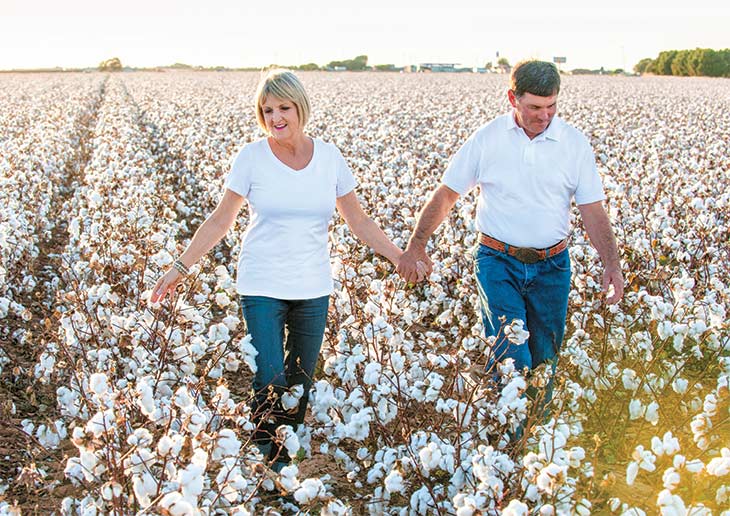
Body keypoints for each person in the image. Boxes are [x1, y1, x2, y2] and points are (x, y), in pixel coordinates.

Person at [150, 69, 422, 471]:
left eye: (283, 108)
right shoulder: (251, 158)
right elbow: (220, 220)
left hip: (312, 286)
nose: (275, 117)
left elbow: (358, 221)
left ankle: (284, 455)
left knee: (299, 381)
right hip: (261, 283)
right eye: (267, 110)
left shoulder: (329, 157)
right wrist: (180, 266)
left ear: (300, 108)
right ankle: (268, 458)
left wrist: (399, 256)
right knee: (271, 374)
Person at [398, 60, 624, 415]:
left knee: (545, 358)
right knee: (512, 355)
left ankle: (534, 438)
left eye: (551, 106)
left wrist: (612, 265)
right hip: (496, 261)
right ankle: (512, 438)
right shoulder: (487, 139)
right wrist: (416, 245)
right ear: (512, 98)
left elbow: (592, 211)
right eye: (534, 107)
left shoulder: (574, 144)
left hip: (553, 265)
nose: (544, 115)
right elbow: (446, 195)